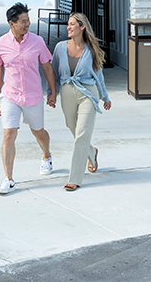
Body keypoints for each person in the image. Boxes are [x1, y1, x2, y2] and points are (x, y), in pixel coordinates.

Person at [0, 2, 58, 195]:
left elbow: (47, 68)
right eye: (23, 21)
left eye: (28, 20)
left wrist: (53, 92)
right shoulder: (1, 44)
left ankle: (46, 156)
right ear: (11, 23)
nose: (27, 24)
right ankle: (9, 179)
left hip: (33, 95)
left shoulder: (37, 41)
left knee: (39, 132)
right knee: (8, 135)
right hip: (10, 96)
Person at [52, 12, 111, 191]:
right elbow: (53, 72)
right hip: (67, 92)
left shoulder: (91, 50)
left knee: (82, 134)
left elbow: (98, 75)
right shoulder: (60, 47)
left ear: (82, 27)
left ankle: (75, 178)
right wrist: (51, 93)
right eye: (68, 24)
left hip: (88, 93)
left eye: (72, 24)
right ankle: (92, 152)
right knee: (73, 127)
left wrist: (105, 97)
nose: (68, 27)